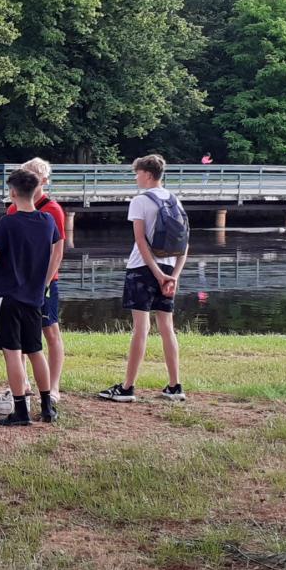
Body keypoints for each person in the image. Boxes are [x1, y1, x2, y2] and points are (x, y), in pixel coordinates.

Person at [0, 158, 66, 414]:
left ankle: (20, 410)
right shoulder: (47, 221)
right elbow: (55, 251)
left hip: (8, 295)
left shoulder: (8, 222)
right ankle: (47, 407)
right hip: (34, 296)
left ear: (13, 193)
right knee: (36, 350)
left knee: (13, 352)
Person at [99, 155, 189, 403]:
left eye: (137, 173)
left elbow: (140, 241)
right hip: (169, 268)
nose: (136, 177)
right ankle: (175, 386)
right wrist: (172, 276)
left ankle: (127, 387)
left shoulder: (140, 201)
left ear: (148, 174)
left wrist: (157, 274)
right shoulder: (175, 200)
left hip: (142, 269)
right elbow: (184, 244)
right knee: (167, 327)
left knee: (141, 328)